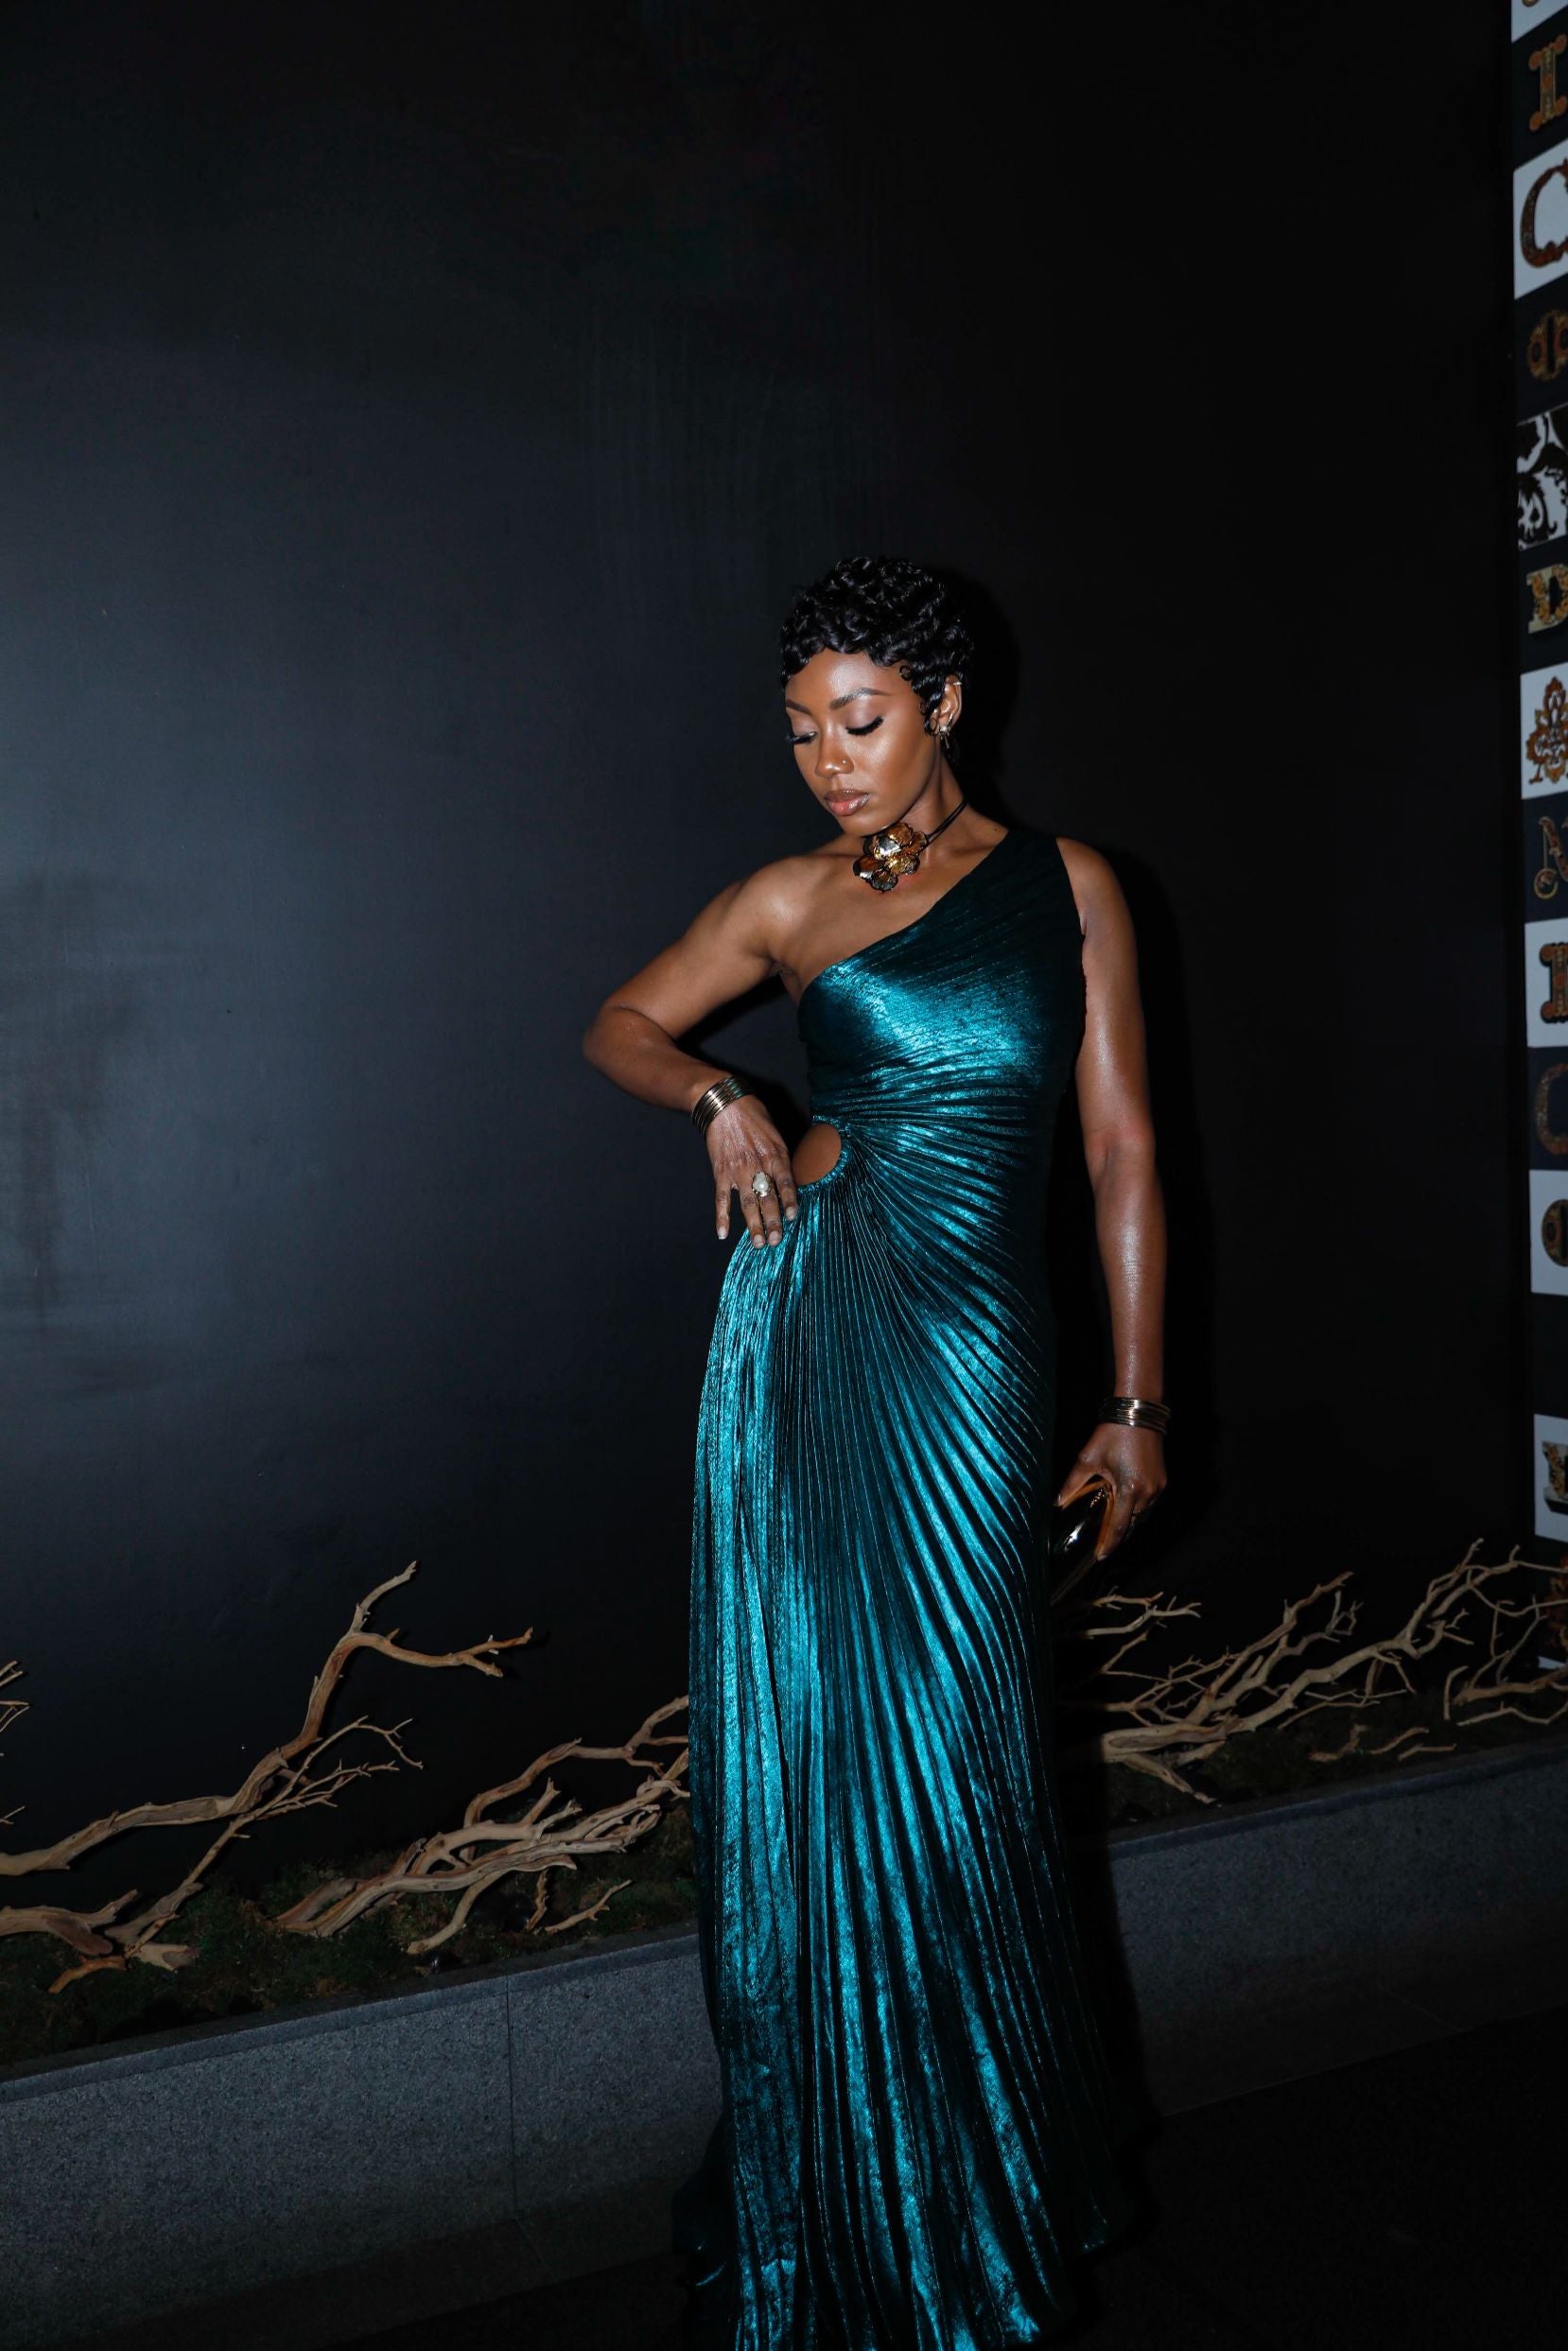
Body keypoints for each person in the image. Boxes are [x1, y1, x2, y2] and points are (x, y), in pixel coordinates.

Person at [581, 555, 1167, 2348]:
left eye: (860, 720)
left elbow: (1121, 1153)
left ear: (944, 704)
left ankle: (966, 2187)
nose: (828, 759)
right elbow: (619, 1022)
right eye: (801, 731)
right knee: (817, 1767)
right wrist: (721, 1094)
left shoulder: (1068, 886)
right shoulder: (787, 896)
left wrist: (1136, 1403)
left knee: (962, 1765)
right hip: (806, 1345)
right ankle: (828, 2191)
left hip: (978, 1364)